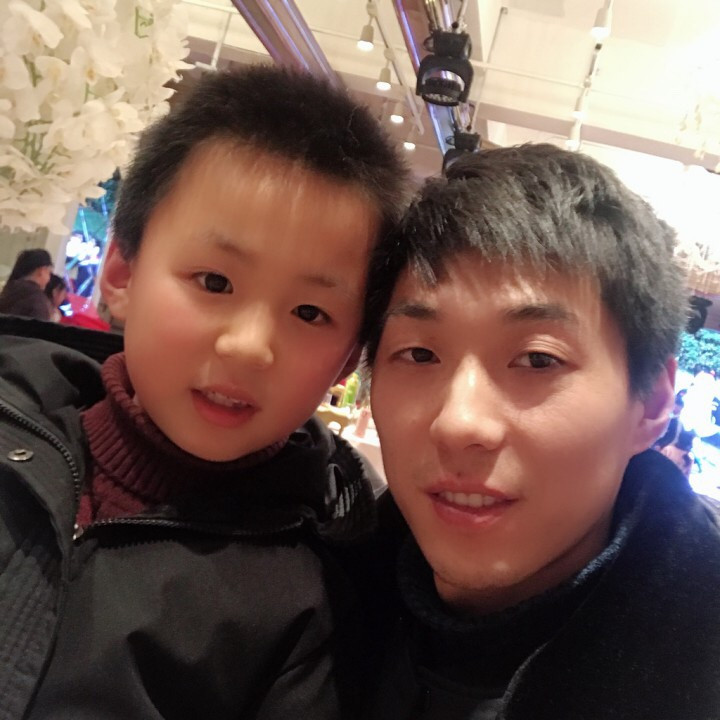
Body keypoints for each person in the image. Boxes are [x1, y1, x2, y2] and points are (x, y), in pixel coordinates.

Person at [0, 64, 409, 719]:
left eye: (310, 313)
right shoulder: (12, 416)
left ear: (347, 361)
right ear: (122, 274)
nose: (250, 346)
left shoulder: (317, 601)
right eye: (215, 282)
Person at [361, 144, 720, 718]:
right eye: (420, 353)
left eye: (537, 360)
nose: (459, 422)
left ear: (652, 402)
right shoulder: (306, 610)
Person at [0, 247, 54, 320]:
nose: (49, 279)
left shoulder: (8, 291)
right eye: (49, 273)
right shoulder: (37, 299)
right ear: (41, 271)